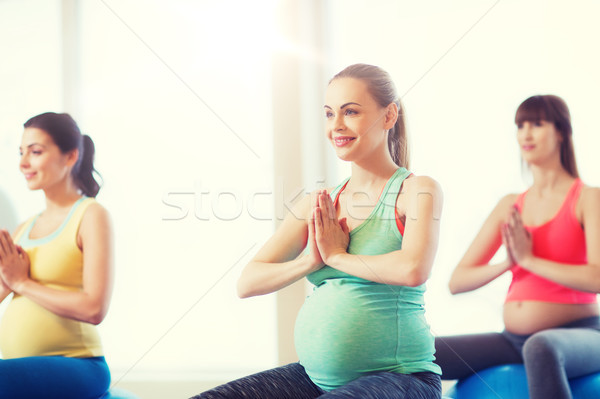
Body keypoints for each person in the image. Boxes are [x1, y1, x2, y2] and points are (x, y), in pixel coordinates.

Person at [192, 64, 443, 399]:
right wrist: (310, 261)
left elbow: (413, 269)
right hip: (314, 379)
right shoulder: (320, 204)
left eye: (350, 112)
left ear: (389, 115)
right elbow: (247, 282)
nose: (336, 126)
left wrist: (337, 256)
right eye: (328, 114)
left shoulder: (416, 190)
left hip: (402, 378)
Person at [435, 95, 600, 399]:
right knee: (422, 352)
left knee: (541, 347)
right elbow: (457, 282)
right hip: (513, 340)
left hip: (585, 335)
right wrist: (509, 263)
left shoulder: (588, 198)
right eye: (520, 125)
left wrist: (530, 259)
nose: (526, 133)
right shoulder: (511, 205)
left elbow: (597, 278)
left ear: (561, 132)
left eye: (537, 124)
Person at [0, 112, 114, 399]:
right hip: (20, 365)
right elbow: (6, 284)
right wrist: (6, 282)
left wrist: (23, 283)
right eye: (21, 152)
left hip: (78, 364)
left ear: (70, 156)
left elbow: (94, 308)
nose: (23, 163)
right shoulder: (24, 227)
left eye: (36, 152)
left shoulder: (90, 215)